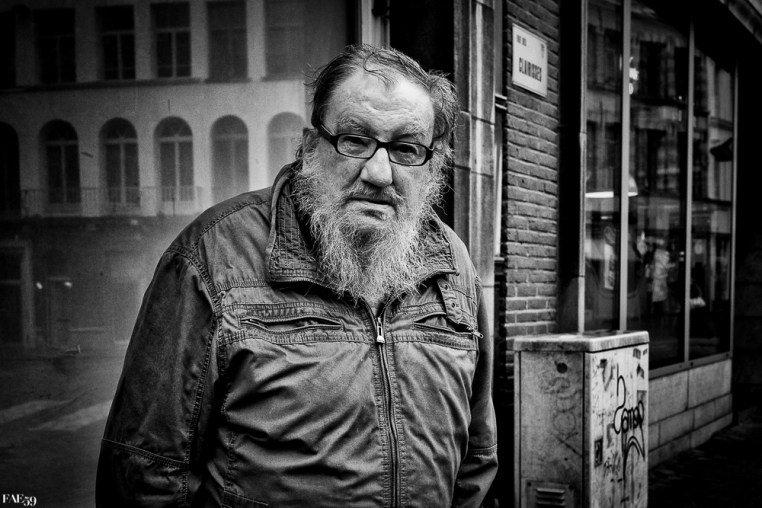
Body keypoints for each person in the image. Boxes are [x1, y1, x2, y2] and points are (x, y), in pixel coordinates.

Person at [96, 44, 498, 508]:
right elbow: (145, 472)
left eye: (406, 149)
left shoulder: (452, 263)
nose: (380, 173)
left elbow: (476, 461)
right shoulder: (213, 257)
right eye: (355, 140)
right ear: (310, 147)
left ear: (433, 165)